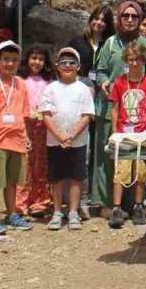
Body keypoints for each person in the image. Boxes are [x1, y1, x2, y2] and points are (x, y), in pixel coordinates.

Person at [91, 0, 146, 209]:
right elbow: (101, 71)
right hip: (110, 108)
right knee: (108, 157)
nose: (130, 20)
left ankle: (132, 204)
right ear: (119, 18)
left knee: (136, 158)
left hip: (137, 113)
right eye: (126, 15)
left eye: (134, 16)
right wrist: (104, 81)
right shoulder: (109, 43)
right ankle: (106, 203)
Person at [0, 40, 32, 235]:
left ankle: (12, 214)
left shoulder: (21, 85)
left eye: (14, 60)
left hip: (17, 140)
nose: (9, 64)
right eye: (6, 59)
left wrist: (26, 136)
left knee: (12, 181)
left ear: (19, 62)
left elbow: (24, 113)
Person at [39, 47, 93, 231]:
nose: (68, 66)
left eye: (72, 62)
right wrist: (60, 136)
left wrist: (71, 136)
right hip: (55, 141)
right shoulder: (51, 88)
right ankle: (56, 211)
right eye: (63, 62)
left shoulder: (83, 89)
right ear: (57, 66)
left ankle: (73, 212)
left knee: (76, 177)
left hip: (77, 141)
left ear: (78, 66)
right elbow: (45, 114)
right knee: (57, 177)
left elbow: (87, 115)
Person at [108, 41, 146, 229]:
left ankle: (138, 206)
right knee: (121, 171)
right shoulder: (120, 82)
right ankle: (117, 208)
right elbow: (115, 108)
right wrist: (114, 132)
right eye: (131, 60)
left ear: (144, 60)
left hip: (144, 132)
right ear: (126, 61)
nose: (135, 63)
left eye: (138, 59)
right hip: (124, 132)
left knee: (141, 171)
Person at [16, 45, 53, 217]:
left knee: (41, 165)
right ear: (27, 59)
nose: (37, 62)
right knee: (24, 164)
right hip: (25, 126)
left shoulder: (50, 81)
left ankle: (40, 201)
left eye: (41, 59)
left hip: (44, 127)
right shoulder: (20, 80)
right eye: (33, 58)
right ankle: (20, 202)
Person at [68, 4, 112, 80]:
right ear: (91, 19)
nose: (98, 22)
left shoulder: (110, 44)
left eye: (103, 20)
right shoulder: (76, 42)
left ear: (108, 25)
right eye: (96, 18)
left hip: (102, 86)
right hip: (79, 86)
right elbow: (67, 63)